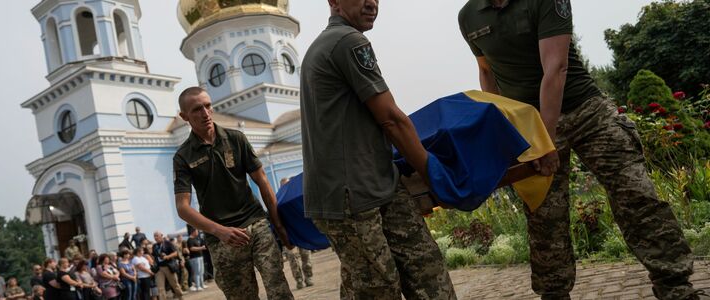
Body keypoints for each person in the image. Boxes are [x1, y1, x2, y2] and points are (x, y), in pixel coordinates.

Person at [457, 1, 704, 299]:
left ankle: (676, 287)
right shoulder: (468, 16)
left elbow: (556, 67)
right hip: (529, 124)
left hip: (587, 112)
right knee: (544, 217)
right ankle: (554, 295)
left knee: (636, 195)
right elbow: (487, 73)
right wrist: (501, 130)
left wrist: (547, 140)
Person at [300, 1, 456, 299]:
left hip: (378, 181)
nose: (372, 3)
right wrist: (433, 173)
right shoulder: (347, 41)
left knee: (423, 265)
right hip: (352, 197)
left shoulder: (329, 44)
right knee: (378, 287)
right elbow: (392, 120)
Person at [173, 87, 294, 299]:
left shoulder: (236, 138)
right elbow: (183, 207)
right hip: (222, 238)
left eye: (208, 106)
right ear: (184, 116)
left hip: (256, 225)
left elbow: (262, 180)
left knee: (278, 288)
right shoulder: (183, 157)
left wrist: (279, 224)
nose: (206, 113)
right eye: (197, 109)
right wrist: (219, 231)